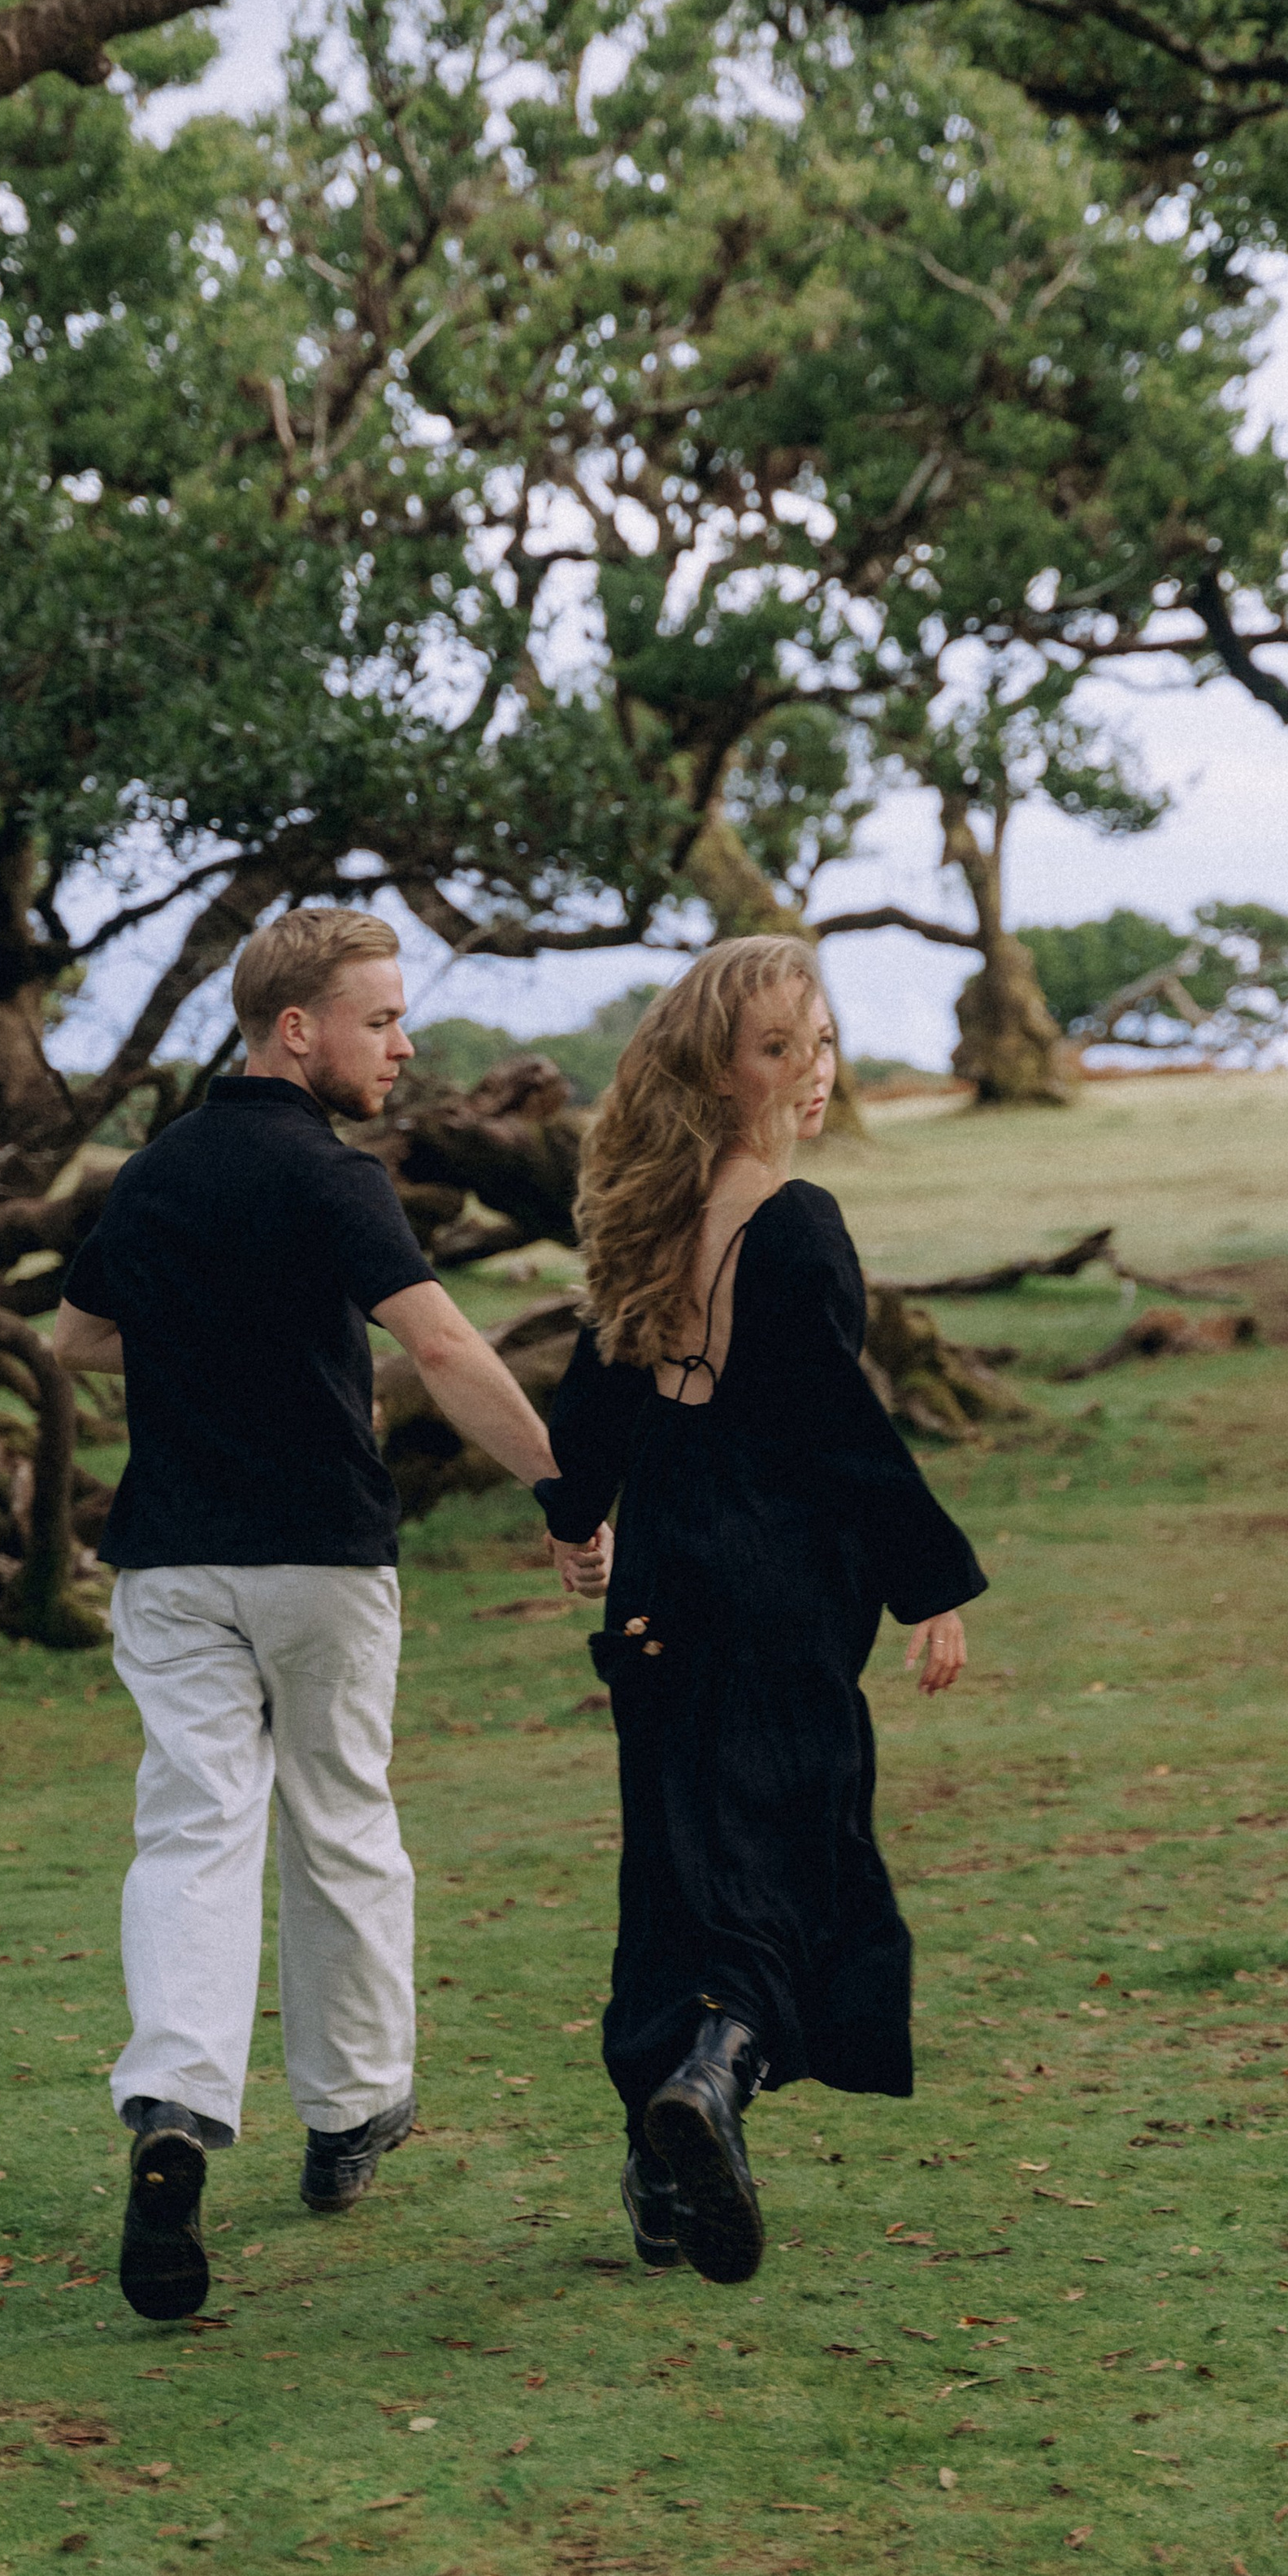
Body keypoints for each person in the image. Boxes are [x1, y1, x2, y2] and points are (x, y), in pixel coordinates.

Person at [54, 907, 609, 2323]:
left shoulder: (156, 1170)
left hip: (171, 1560)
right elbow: (440, 1341)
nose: (403, 1045)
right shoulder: (337, 1179)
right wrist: (563, 1489)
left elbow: (77, 1339)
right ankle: (351, 2115)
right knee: (341, 1822)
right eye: (382, 1020)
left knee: (191, 1827)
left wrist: (202, 1334)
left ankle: (174, 2108)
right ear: (297, 1028)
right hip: (319, 1559)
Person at [539, 936, 986, 2286]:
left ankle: (655, 2172)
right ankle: (716, 2074)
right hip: (778, 1582)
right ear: (715, 1073)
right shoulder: (794, 1226)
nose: (812, 1075)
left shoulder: (648, 1223)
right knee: (794, 1850)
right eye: (778, 1050)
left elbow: (590, 1409)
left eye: (825, 1042)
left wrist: (578, 1521)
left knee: (675, 1862)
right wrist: (933, 1584)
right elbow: (835, 1426)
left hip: (668, 1579)